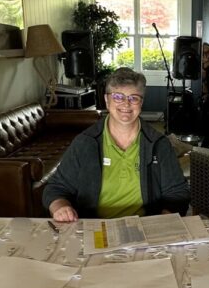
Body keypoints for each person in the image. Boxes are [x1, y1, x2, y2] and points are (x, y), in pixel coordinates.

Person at [43, 67, 190, 221]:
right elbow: (56, 188)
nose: (126, 104)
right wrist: (60, 207)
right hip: (95, 228)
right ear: (107, 100)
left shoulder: (159, 144)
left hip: (145, 228)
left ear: (141, 103)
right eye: (118, 97)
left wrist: (162, 219)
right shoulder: (85, 143)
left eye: (134, 98)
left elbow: (178, 193)